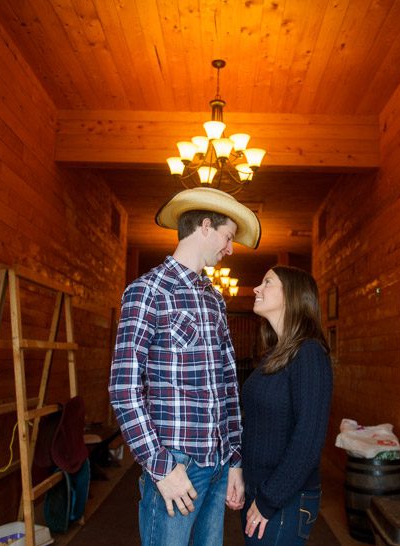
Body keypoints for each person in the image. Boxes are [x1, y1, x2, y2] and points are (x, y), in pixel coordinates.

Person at [108, 187, 261, 546]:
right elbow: (123, 388)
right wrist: (159, 467)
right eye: (227, 237)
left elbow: (227, 386)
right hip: (176, 465)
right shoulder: (146, 291)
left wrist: (235, 461)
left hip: (219, 462)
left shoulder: (215, 299)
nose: (230, 249)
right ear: (205, 227)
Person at [240, 266, 333, 545]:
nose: (256, 289)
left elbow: (308, 440)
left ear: (292, 295)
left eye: (267, 282)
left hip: (283, 498)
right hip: (259, 489)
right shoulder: (275, 355)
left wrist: (270, 499)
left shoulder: (310, 354)